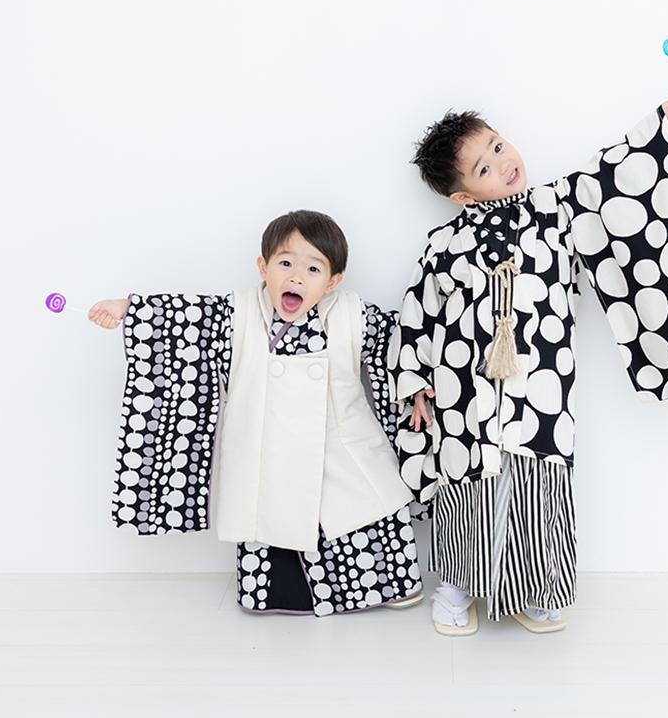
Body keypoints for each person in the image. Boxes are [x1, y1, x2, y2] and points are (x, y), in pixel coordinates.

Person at [397, 90, 668, 635]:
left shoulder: (558, 207)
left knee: (539, 482)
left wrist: (660, 133)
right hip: (464, 387)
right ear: (462, 196)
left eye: (498, 146)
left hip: (542, 381)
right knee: (468, 481)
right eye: (484, 167)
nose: (503, 163)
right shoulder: (443, 245)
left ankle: (534, 588)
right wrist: (416, 382)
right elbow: (419, 311)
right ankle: (457, 585)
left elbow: (617, 182)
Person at [88, 210, 424, 616]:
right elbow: (187, 318)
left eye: (313, 268)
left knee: (364, 510)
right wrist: (128, 309)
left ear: (333, 281)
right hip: (267, 458)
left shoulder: (354, 315)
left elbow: (402, 344)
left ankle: (387, 586)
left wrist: (416, 383)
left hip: (341, 453)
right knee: (271, 516)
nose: (296, 277)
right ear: (263, 267)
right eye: (285, 263)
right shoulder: (239, 313)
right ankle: (281, 595)